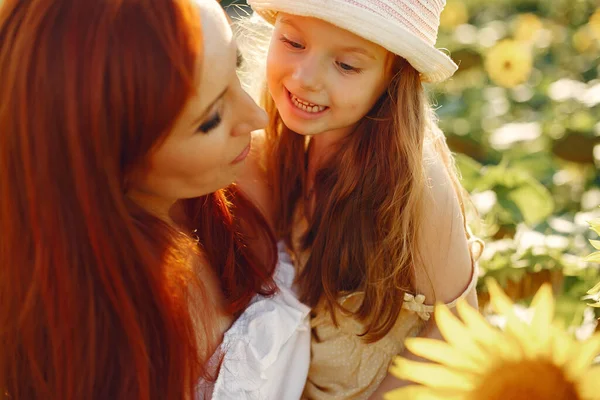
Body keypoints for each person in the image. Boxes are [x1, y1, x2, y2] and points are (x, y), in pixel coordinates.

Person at [0, 0, 309, 399]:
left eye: (237, 67)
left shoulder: (253, 171)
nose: (257, 117)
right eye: (211, 119)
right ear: (109, 159)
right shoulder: (78, 339)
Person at [245, 0, 485, 398]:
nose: (305, 78)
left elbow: (456, 325)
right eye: (292, 41)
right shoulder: (273, 149)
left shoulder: (414, 180)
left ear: (393, 79)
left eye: (347, 66)